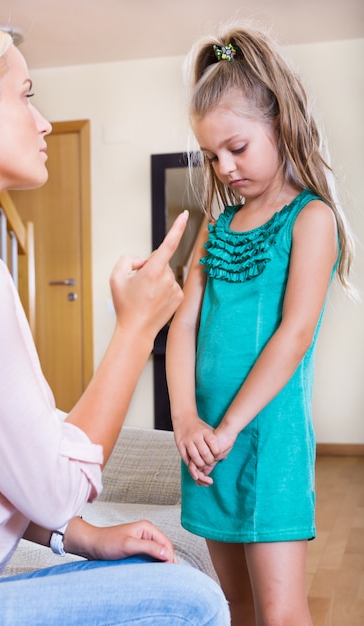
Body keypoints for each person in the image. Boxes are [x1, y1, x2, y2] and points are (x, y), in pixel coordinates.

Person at [0, 5, 230, 625]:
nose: (44, 122)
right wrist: (136, 329)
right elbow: (56, 483)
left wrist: (73, 536)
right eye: (27, 95)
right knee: (193, 604)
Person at [166, 24, 355, 626]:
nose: (223, 167)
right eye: (212, 155)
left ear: (279, 123)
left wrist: (228, 430)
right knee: (233, 607)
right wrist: (187, 421)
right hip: (207, 450)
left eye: (237, 148)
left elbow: (294, 334)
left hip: (268, 443)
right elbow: (181, 328)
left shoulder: (311, 219)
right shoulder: (215, 228)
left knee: (280, 611)